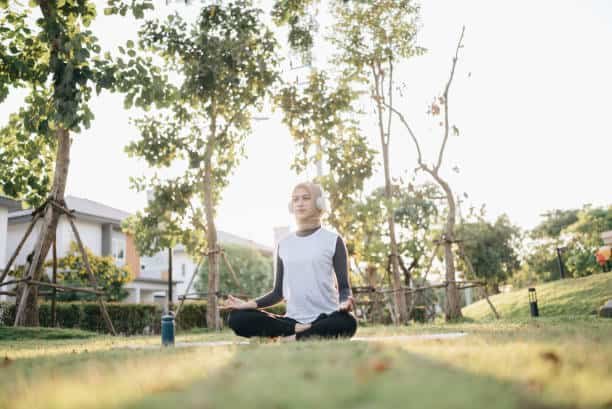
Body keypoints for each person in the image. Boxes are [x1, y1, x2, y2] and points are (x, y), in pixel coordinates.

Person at [221, 181, 358, 341]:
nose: (299, 203)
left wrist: (344, 303)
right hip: (292, 320)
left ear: (319, 203)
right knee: (237, 318)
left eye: (306, 198)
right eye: (295, 199)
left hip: (326, 317)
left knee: (348, 322)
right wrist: (245, 305)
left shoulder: (333, 240)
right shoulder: (284, 244)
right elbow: (278, 293)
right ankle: (294, 330)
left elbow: (344, 287)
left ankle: (292, 336)